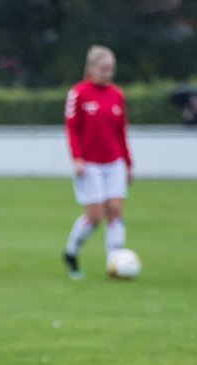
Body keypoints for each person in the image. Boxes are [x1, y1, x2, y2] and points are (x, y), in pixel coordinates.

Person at [62, 45, 133, 281]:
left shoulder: (117, 95)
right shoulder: (78, 93)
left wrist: (128, 163)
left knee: (115, 210)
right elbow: (72, 129)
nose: (108, 73)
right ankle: (71, 252)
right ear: (91, 68)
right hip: (89, 164)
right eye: (103, 68)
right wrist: (77, 158)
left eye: (111, 69)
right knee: (95, 216)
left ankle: (115, 262)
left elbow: (121, 132)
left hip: (114, 163)